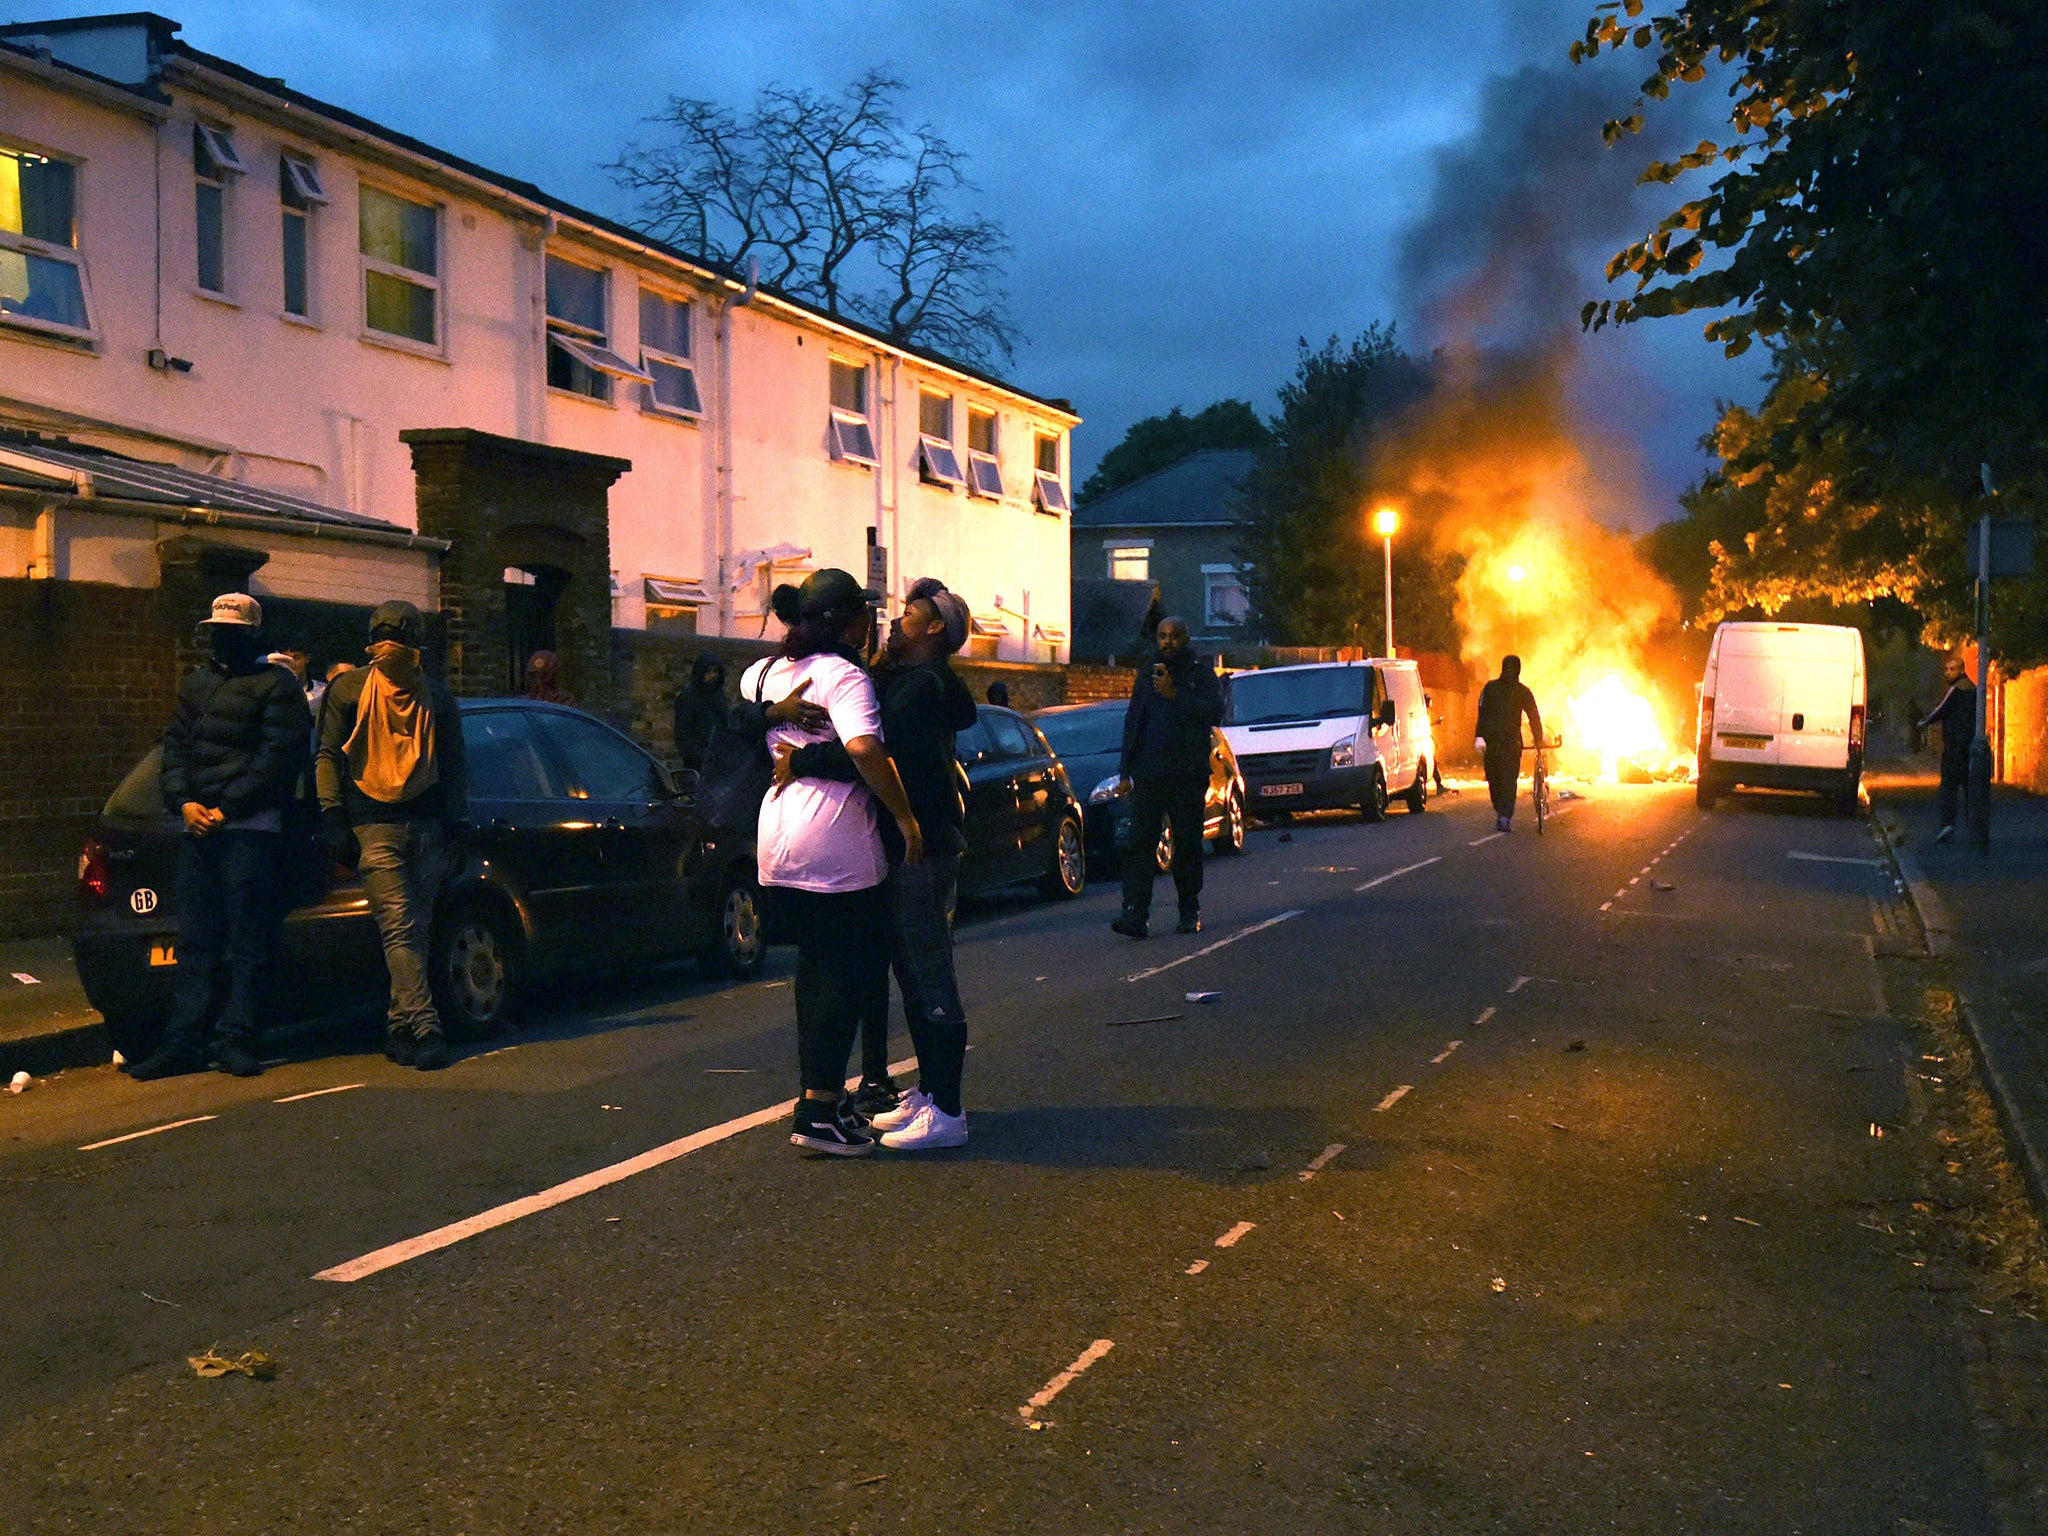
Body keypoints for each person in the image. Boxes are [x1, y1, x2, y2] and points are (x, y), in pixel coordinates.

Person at [773, 576, 979, 1150]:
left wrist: (802, 758)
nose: (894, 621)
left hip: (923, 846)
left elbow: (870, 754)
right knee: (912, 969)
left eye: (909, 616)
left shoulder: (920, 689)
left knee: (927, 969)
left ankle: (949, 1109)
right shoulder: (912, 680)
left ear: (935, 629)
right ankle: (934, 1093)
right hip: (908, 844)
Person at [744, 570, 926, 1156]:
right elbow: (865, 749)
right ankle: (819, 1109)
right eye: (865, 615)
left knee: (814, 971)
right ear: (850, 622)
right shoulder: (845, 676)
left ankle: (818, 1100)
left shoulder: (764, 673)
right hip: (836, 844)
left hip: (777, 838)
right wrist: (904, 817)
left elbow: (739, 725)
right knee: (846, 975)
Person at [128, 594, 310, 1081]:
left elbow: (277, 760)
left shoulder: (277, 686)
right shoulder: (198, 685)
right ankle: (187, 1039)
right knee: (196, 939)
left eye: (230, 630)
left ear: (251, 634)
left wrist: (221, 808)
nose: (221, 637)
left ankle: (236, 1037)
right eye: (217, 628)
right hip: (204, 826)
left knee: (247, 939)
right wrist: (185, 803)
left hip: (250, 832)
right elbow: (175, 752)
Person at [316, 601, 468, 1070]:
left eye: (394, 636)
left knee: (411, 931)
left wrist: (454, 823)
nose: (389, 645)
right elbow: (328, 756)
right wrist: (332, 816)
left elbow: (453, 766)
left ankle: (398, 1026)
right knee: (402, 926)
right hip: (379, 824)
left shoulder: (430, 698)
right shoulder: (355, 690)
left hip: (416, 825)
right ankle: (426, 1027)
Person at [1112, 616, 1224, 939]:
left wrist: (1176, 695)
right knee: (1140, 845)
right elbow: (1134, 723)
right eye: (1162, 636)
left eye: (1174, 636)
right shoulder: (1147, 676)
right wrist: (1125, 772)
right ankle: (1135, 913)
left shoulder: (1199, 674)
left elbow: (1214, 713)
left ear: (1185, 638)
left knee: (1187, 844)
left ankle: (1189, 909)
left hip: (1187, 775)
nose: (1168, 642)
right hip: (1149, 774)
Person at [1475, 655, 1543, 833]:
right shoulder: (1491, 689)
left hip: (1509, 743)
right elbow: (1482, 713)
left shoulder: (1522, 691)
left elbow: (1533, 716)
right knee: (1495, 780)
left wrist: (1538, 738)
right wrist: (1479, 736)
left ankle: (1504, 816)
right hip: (1493, 743)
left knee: (1506, 780)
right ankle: (1502, 811)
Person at [1918, 656, 1976, 842]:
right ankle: (1974, 825)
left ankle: (1947, 824)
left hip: (1954, 746)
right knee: (1970, 788)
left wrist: (1924, 722)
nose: (1947, 673)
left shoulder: (1956, 690)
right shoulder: (1974, 690)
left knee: (1948, 787)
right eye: (1946, 669)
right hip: (1970, 745)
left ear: (1961, 670)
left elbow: (1941, 710)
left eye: (1951, 669)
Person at [671, 653, 728, 773]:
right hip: (698, 763)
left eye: (715, 671)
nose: (712, 676)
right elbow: (683, 734)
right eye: (708, 672)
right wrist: (700, 757)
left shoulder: (718, 697)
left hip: (719, 761)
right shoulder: (689, 698)